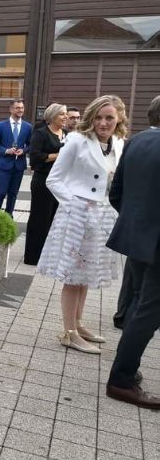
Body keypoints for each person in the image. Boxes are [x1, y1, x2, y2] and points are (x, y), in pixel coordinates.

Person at [37, 95, 126, 354]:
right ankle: (69, 332)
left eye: (109, 117)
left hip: (102, 216)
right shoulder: (77, 140)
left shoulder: (118, 143)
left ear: (118, 118)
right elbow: (53, 180)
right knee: (73, 277)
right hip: (77, 216)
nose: (103, 122)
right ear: (90, 118)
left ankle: (78, 323)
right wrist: (75, 205)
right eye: (98, 117)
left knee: (85, 276)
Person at [106, 96, 160, 408]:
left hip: (137, 237)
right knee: (147, 311)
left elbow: (117, 192)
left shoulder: (136, 141)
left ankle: (128, 369)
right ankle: (122, 379)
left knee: (140, 305)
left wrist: (135, 222)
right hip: (155, 242)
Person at [24, 103, 67, 265]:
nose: (66, 117)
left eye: (66, 114)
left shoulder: (67, 134)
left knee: (56, 219)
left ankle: (50, 255)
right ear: (53, 115)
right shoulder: (41, 133)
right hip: (43, 181)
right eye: (62, 114)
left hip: (62, 183)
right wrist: (59, 155)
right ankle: (33, 256)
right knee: (40, 219)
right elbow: (35, 156)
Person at [0, 99, 33, 215]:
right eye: (17, 108)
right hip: (4, 165)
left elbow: (31, 145)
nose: (20, 110)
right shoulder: (1, 125)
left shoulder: (27, 127)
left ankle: (9, 216)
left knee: (13, 194)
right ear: (11, 109)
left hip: (19, 165)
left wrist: (23, 150)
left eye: (22, 108)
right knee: (1, 192)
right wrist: (5, 150)